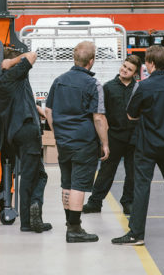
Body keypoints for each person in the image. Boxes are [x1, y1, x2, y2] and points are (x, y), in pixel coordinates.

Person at [111, 45, 164, 246]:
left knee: (141, 188)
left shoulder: (144, 86)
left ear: (151, 63)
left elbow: (131, 114)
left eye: (146, 61)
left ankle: (136, 234)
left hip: (147, 145)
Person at [45, 40, 109, 243]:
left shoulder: (59, 80)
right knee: (79, 185)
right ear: (91, 61)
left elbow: (48, 111)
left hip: (64, 142)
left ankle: (69, 223)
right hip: (84, 142)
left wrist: (58, 132)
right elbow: (98, 117)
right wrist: (105, 144)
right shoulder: (93, 84)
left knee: (67, 183)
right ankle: (74, 229)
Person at [0, 48, 52, 233]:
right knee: (36, 176)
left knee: (30, 174)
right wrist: (10, 62)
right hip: (28, 131)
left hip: (15, 133)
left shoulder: (6, 82)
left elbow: (20, 99)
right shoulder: (13, 73)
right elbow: (31, 56)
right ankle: (32, 212)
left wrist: (38, 109)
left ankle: (28, 220)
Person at [83, 54, 142, 215]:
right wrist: (103, 141)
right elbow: (101, 114)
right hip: (114, 136)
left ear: (135, 73)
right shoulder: (108, 87)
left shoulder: (139, 89)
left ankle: (128, 202)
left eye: (129, 69)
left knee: (132, 172)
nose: (125, 70)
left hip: (133, 137)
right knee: (106, 171)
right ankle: (95, 202)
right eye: (124, 66)